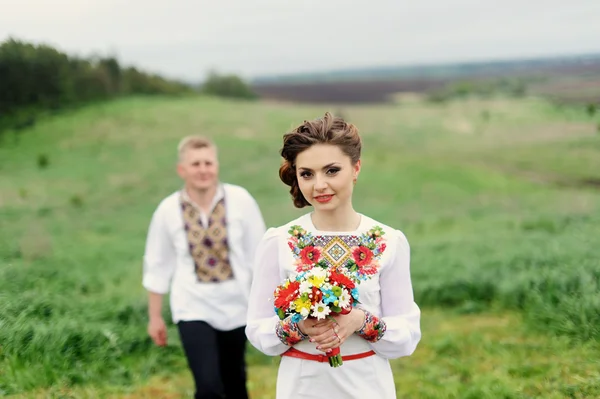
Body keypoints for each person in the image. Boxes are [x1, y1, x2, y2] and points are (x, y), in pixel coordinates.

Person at [245, 112, 421, 399]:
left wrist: (359, 320)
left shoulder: (389, 241)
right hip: (301, 387)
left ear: (356, 168)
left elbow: (405, 336)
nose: (319, 186)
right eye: (307, 174)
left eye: (331, 171)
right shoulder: (278, 241)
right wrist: (299, 326)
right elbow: (258, 329)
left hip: (367, 385)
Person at [142, 135, 266, 399]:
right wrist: (154, 317)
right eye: (195, 163)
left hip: (237, 306)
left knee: (235, 384)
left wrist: (267, 307)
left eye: (208, 162)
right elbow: (157, 264)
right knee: (208, 387)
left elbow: (260, 256)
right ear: (182, 170)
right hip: (193, 306)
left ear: (217, 166)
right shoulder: (167, 210)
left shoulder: (241, 200)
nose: (203, 169)